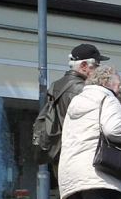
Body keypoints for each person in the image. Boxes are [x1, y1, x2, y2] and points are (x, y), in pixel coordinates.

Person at [58, 65, 121, 199]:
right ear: (106, 82)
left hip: (71, 176)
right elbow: (114, 130)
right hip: (99, 175)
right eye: (118, 84)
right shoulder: (107, 98)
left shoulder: (75, 101)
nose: (119, 88)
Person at [33, 43, 106, 177]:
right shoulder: (83, 90)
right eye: (96, 66)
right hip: (79, 157)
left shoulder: (57, 85)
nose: (99, 71)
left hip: (61, 156)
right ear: (83, 66)